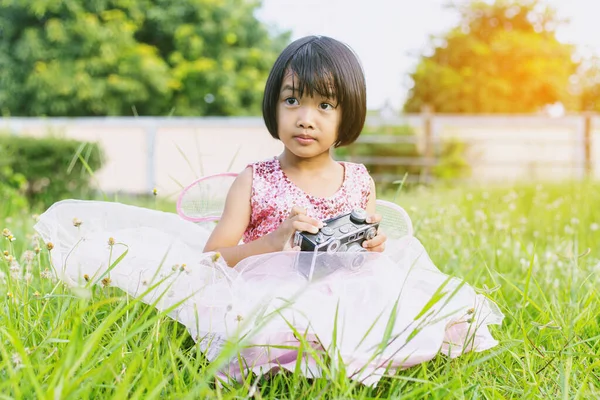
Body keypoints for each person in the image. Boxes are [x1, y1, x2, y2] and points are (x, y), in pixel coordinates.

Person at [35, 36, 503, 386]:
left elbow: (368, 253)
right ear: (274, 105)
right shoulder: (255, 178)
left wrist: (373, 244)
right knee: (277, 322)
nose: (306, 117)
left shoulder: (359, 179)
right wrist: (273, 242)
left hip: (343, 286)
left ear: (348, 115)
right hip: (268, 288)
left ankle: (350, 362)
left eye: (325, 105)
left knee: (397, 306)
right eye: (292, 99)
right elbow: (213, 259)